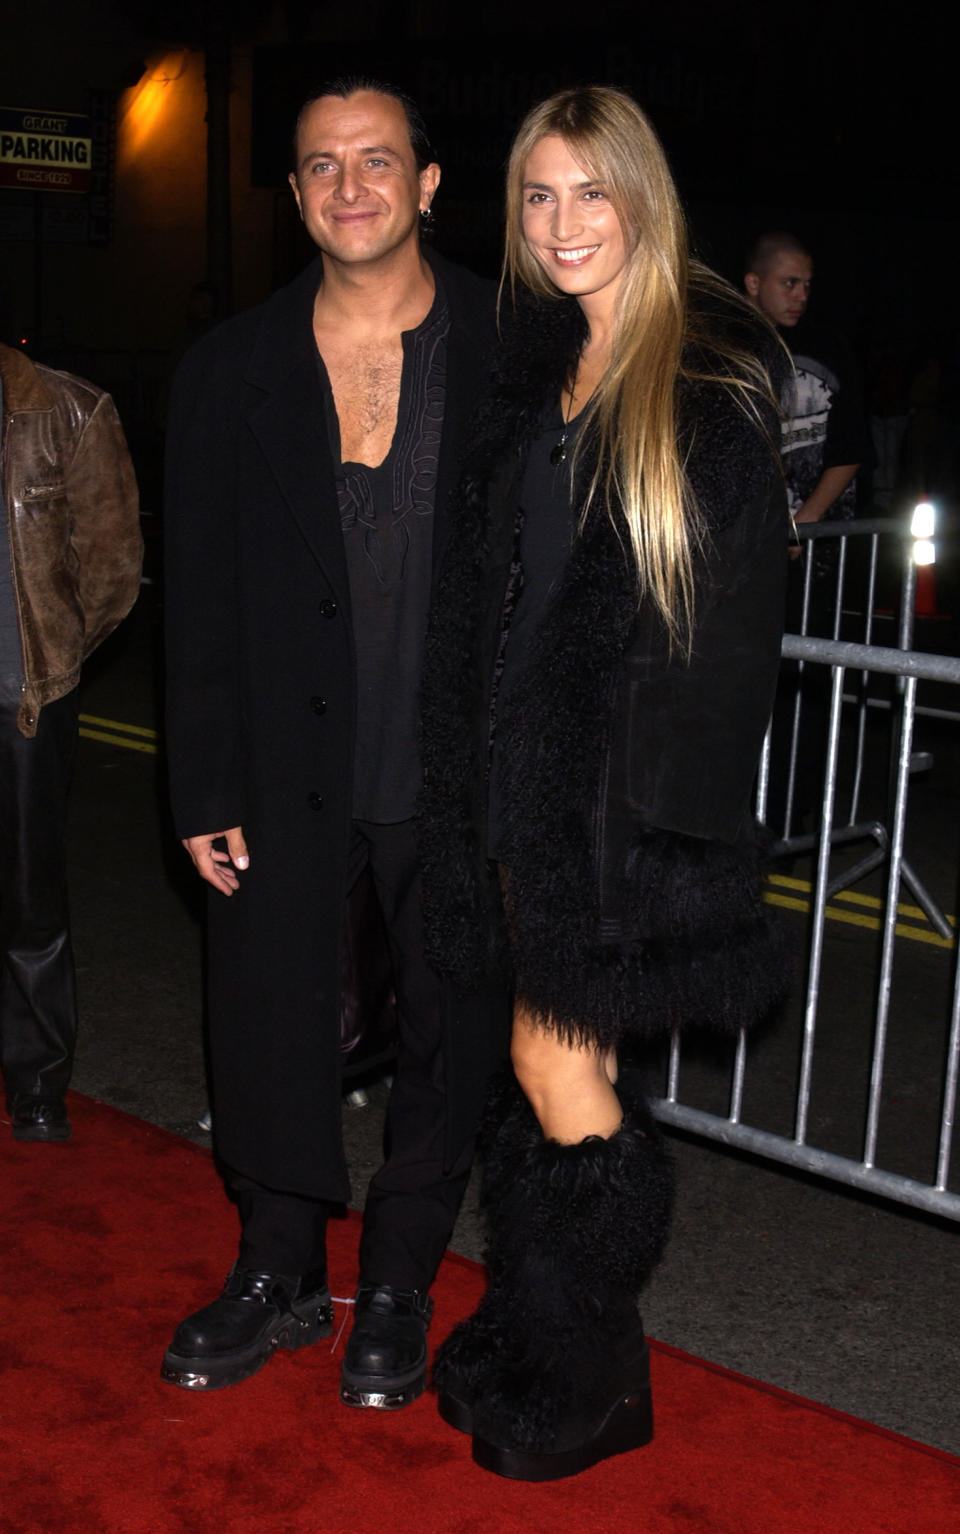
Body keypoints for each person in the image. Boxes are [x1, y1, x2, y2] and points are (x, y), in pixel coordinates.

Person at [417, 86, 789, 1481]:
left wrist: (657, 837)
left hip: (616, 812)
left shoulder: (697, 394)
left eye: (591, 193)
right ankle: (534, 1322)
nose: (564, 224)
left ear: (643, 200)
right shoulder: (542, 372)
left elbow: (725, 659)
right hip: (519, 790)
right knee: (563, 1069)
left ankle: (594, 1371)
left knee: (547, 1059)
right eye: (538, 196)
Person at [161, 79, 505, 1409]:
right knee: (269, 1020)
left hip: (457, 775)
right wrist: (203, 780)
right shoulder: (227, 369)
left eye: (378, 161)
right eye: (321, 165)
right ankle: (278, 1266)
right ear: (297, 195)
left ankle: (403, 1279)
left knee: (445, 1029)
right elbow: (195, 594)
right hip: (283, 774)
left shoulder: (515, 346)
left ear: (426, 185)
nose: (350, 183)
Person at [0, 342, 141, 1141]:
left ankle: (38, 1084)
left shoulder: (67, 410)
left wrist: (47, 661)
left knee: (29, 902)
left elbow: (114, 569)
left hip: (22, 698)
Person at [744, 231, 871, 606]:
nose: (801, 295)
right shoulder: (727, 347)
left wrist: (805, 522)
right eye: (789, 283)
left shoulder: (829, 347)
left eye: (806, 285)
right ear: (754, 283)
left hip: (823, 546)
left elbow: (852, 446)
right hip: (748, 548)